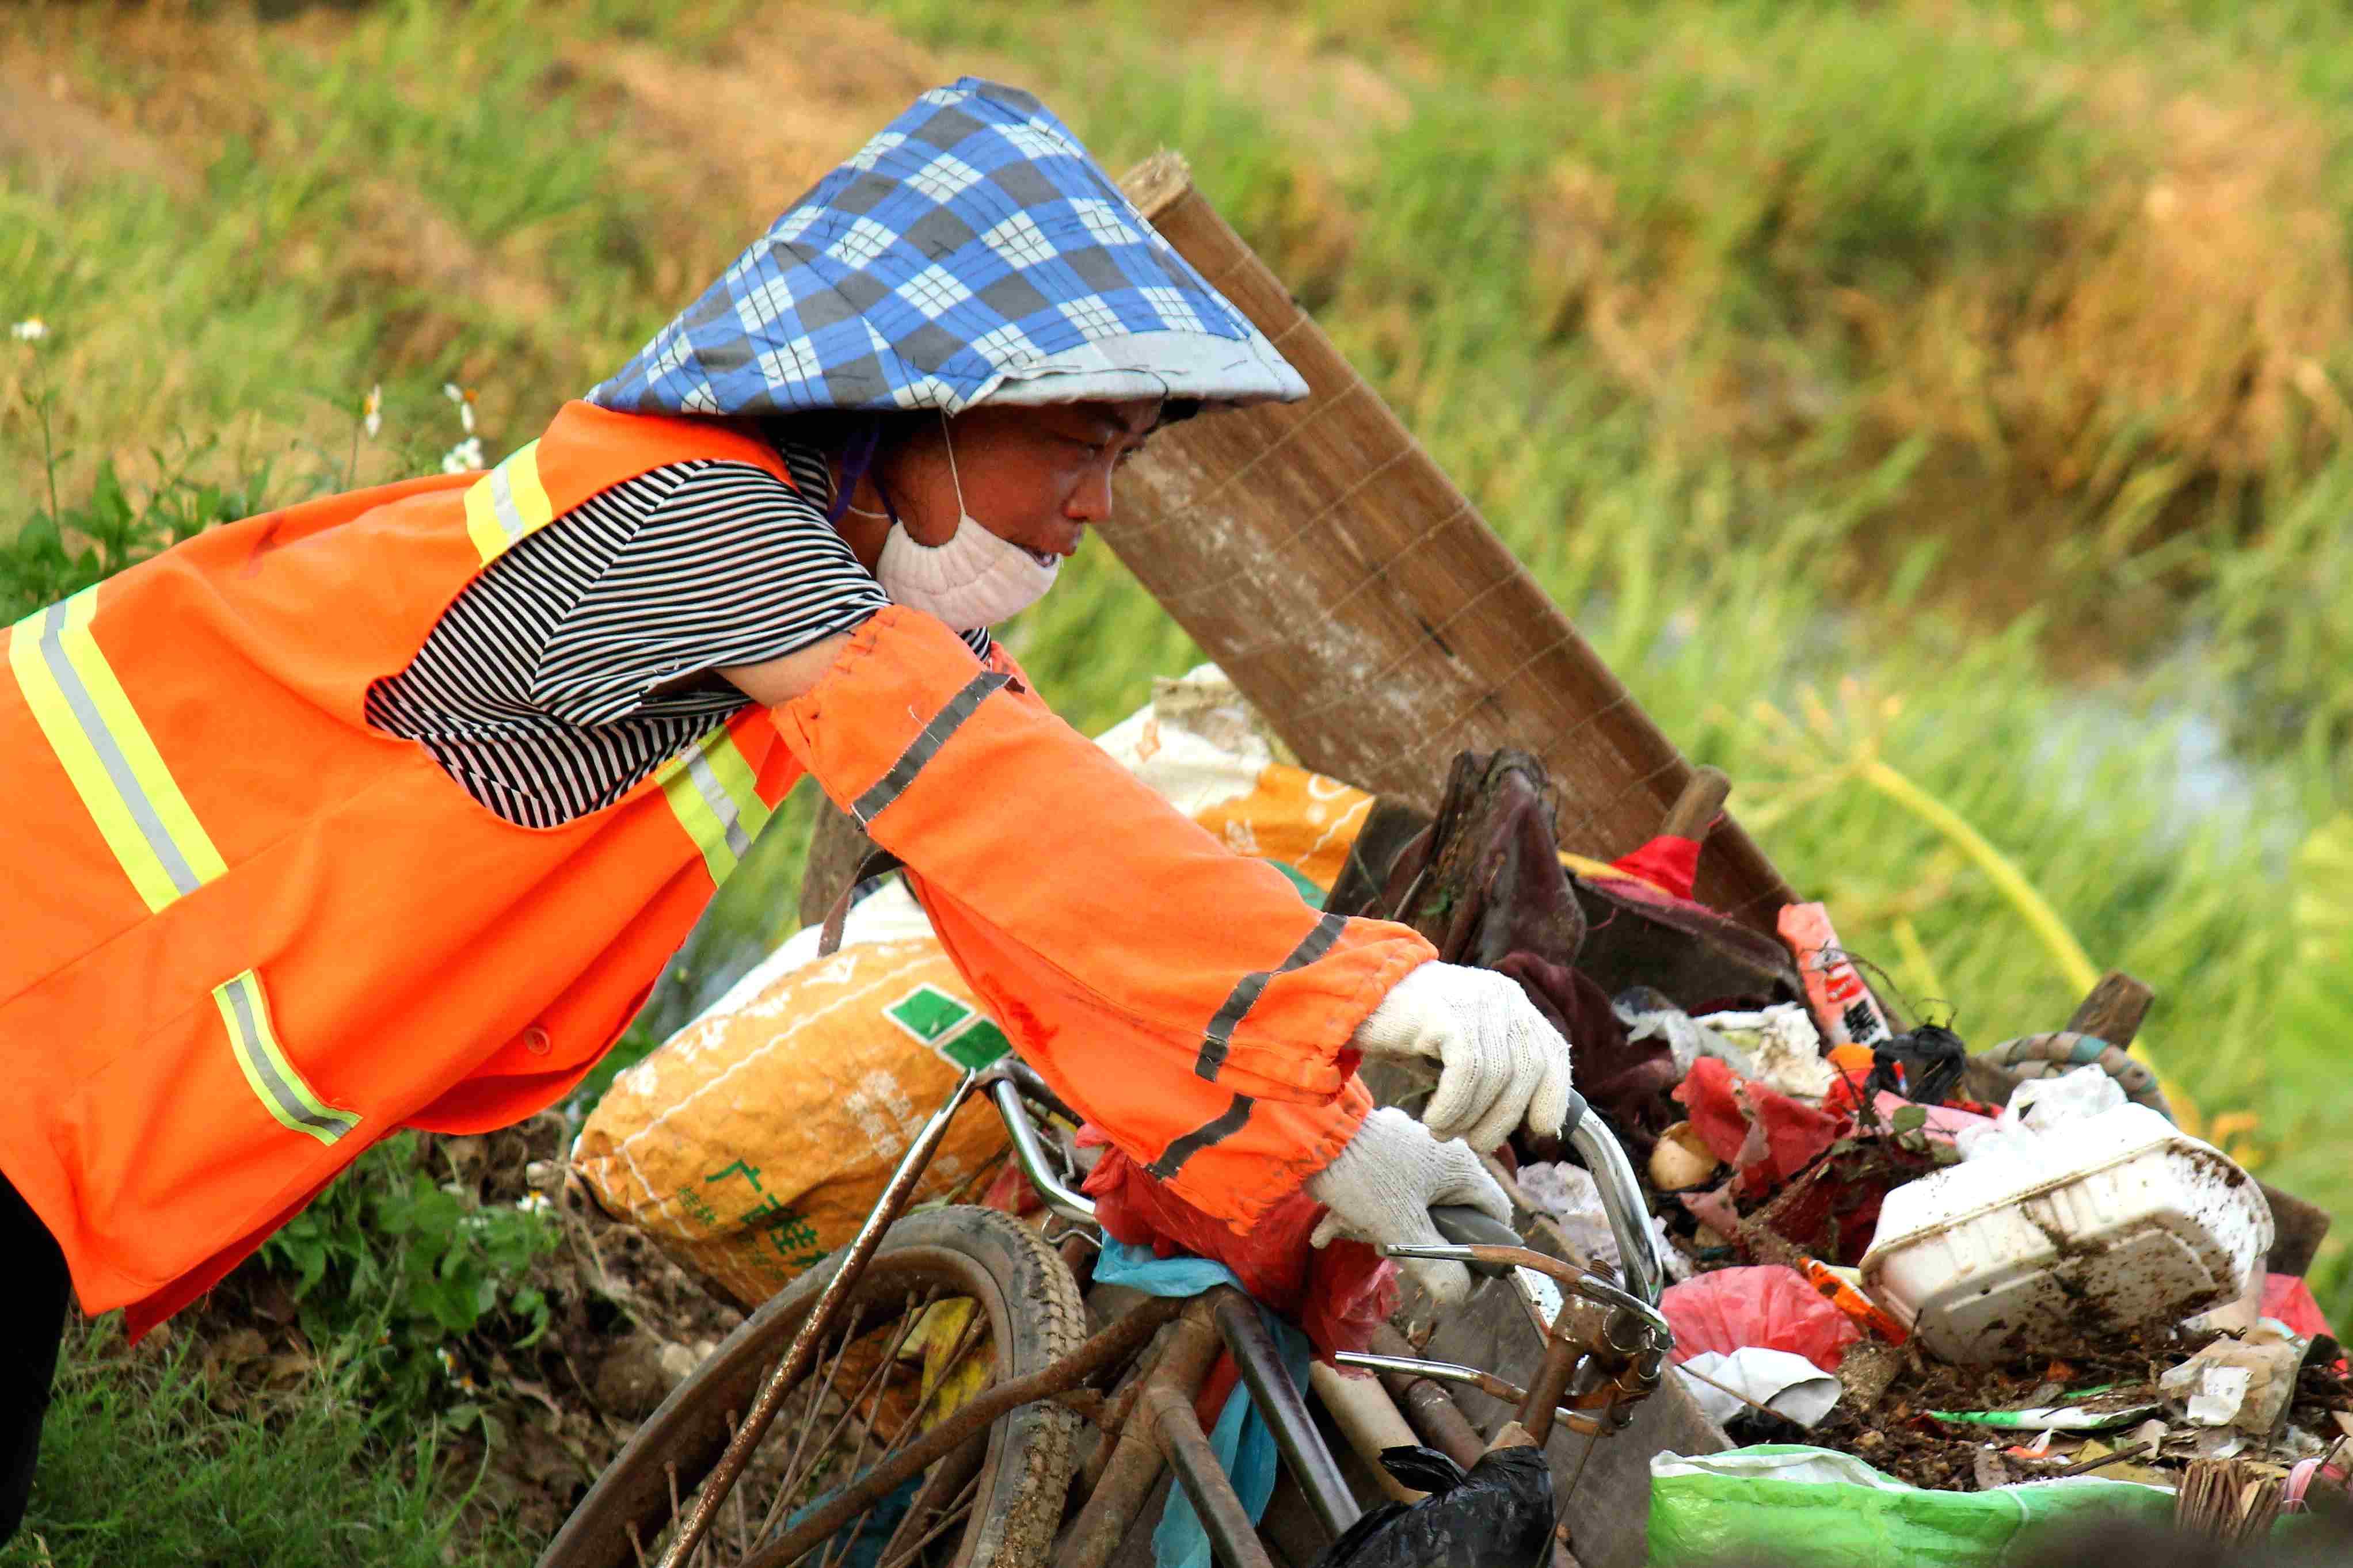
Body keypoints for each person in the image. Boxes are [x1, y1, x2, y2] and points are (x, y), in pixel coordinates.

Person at [0, 78, 1577, 1542]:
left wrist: (1320, 1125)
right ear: (924, 401)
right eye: (1081, 448)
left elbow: (1018, 888)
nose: (1100, 506)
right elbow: (991, 792)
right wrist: (1363, 990)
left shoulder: (789, 574)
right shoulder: (700, 525)